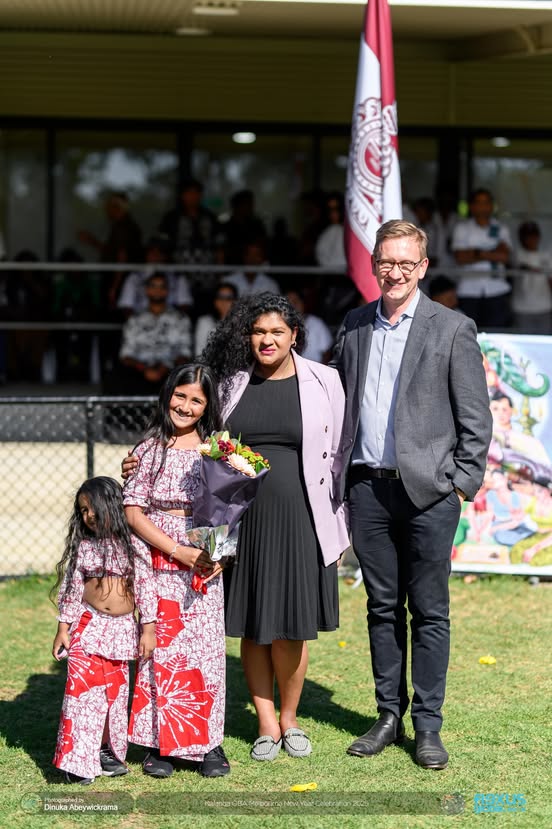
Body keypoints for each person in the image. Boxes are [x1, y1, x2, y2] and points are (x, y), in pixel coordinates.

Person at [332, 220, 492, 770]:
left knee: (428, 611)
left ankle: (427, 725)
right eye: (386, 261)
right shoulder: (354, 325)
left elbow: (476, 419)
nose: (395, 271)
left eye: (407, 262)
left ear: (423, 267)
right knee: (381, 607)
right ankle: (386, 715)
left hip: (429, 496)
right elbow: (338, 405)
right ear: (374, 263)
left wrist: (460, 484)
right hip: (367, 492)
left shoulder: (452, 328)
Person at [202, 294, 349, 761]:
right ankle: (265, 723)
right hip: (244, 522)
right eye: (259, 331)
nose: (267, 340)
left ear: (294, 337)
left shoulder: (325, 381)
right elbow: (202, 442)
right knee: (254, 624)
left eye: (277, 332)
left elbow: (342, 450)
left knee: (293, 627)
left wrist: (341, 520)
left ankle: (290, 719)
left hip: (306, 518)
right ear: (249, 335)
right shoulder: (228, 385)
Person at [122, 364, 230, 779]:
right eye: (180, 396)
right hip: (159, 558)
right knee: (161, 653)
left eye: (196, 400)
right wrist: (175, 551)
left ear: (207, 407)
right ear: (168, 395)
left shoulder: (219, 452)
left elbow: (230, 508)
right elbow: (133, 512)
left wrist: (221, 552)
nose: (185, 406)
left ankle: (208, 743)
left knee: (205, 652)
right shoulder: (149, 449)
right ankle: (159, 743)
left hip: (204, 560)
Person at [51, 477, 157, 785]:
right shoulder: (85, 547)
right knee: (82, 696)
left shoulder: (134, 545)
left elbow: (146, 588)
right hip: (88, 627)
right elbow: (72, 589)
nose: (87, 516)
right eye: (82, 511)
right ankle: (77, 761)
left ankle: (105, 752)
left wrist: (147, 628)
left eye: (91, 509)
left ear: (111, 505)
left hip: (122, 631)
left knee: (114, 695)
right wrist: (63, 627)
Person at [114, 272, 192, 395]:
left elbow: (185, 352)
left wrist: (165, 368)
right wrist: (144, 369)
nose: (157, 290)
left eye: (162, 287)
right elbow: (126, 355)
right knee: (119, 375)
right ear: (147, 290)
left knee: (184, 374)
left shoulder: (180, 319)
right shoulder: (134, 320)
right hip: (139, 371)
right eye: (153, 286)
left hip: (169, 371)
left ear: (167, 291)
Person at [451, 188, 512, 328]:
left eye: (486, 202)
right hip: (468, 290)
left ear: (492, 206)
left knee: (497, 334)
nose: (483, 206)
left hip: (497, 290)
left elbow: (504, 256)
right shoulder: (462, 228)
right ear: (471, 206)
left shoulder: (501, 228)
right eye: (479, 202)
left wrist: (476, 253)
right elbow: (460, 257)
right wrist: (492, 252)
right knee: (467, 335)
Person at [117, 233, 193, 320]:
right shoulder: (134, 277)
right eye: (152, 251)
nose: (155, 255)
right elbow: (126, 306)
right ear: (146, 253)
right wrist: (136, 323)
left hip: (171, 325)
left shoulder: (178, 278)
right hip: (141, 324)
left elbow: (185, 306)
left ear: (165, 255)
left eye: (160, 251)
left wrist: (175, 322)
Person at [511, 220, 552, 334]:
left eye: (534, 236)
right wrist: (537, 270)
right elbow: (521, 266)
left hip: (545, 306)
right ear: (521, 238)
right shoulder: (517, 253)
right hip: (522, 307)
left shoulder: (546, 254)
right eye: (528, 236)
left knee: (544, 341)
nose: (531, 239)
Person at [286, 288, 333, 363]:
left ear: (303, 303)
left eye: (295, 302)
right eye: (289, 303)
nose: (292, 307)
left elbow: (327, 353)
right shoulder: (281, 325)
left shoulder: (317, 324)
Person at [194, 281, 237, 357]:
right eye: (220, 297)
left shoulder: (243, 322)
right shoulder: (204, 322)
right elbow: (199, 353)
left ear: (236, 301)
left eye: (229, 298)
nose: (224, 301)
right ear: (215, 301)